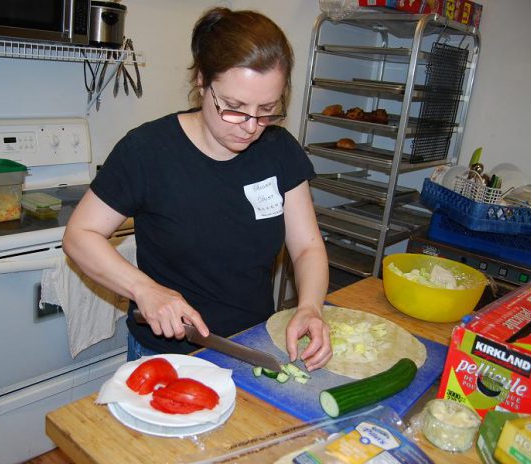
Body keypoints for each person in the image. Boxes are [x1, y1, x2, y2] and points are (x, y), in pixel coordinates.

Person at [63, 7, 331, 371]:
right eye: (234, 108)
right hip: (165, 357)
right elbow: (80, 235)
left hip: (251, 347)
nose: (251, 126)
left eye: (267, 110)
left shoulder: (278, 150)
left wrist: (310, 307)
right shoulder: (148, 151)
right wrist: (145, 290)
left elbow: (307, 247)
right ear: (202, 82)